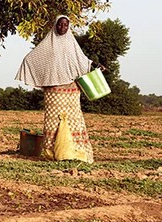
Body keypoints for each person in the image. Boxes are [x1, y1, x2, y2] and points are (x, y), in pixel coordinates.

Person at [15, 15, 101, 163]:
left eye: (66, 25)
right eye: (60, 24)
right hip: (54, 90)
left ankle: (76, 152)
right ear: (55, 25)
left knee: (74, 119)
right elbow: (30, 59)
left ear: (69, 27)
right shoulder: (48, 44)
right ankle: (52, 153)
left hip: (72, 88)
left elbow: (82, 60)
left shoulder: (71, 43)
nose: (63, 27)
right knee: (53, 121)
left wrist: (96, 66)